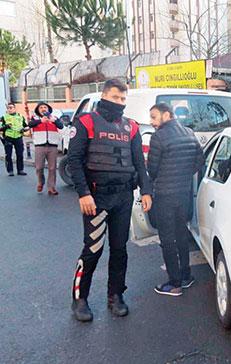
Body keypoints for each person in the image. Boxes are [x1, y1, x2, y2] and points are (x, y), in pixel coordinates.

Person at [67, 79, 153, 322]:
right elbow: (74, 160)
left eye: (123, 99)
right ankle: (79, 299)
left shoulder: (132, 127)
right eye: (116, 97)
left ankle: (116, 296)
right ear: (104, 96)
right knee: (93, 250)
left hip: (123, 197)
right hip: (96, 198)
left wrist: (146, 191)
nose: (120, 103)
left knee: (119, 250)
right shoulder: (85, 122)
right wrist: (83, 193)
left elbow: (139, 163)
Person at [147, 103, 204, 297]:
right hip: (184, 193)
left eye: (154, 117)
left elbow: (152, 170)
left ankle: (174, 283)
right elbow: (199, 161)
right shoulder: (189, 132)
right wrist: (183, 175)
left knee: (167, 238)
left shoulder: (158, 137)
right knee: (181, 234)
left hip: (164, 195)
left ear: (166, 115)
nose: (152, 122)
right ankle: (186, 276)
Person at [29, 102, 63, 194]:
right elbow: (30, 124)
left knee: (52, 168)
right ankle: (41, 181)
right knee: (39, 167)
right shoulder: (35, 118)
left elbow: (61, 126)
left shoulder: (54, 118)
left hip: (52, 145)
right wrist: (41, 121)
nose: (43, 109)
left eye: (45, 107)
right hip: (40, 145)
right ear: (38, 110)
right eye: (41, 107)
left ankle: (51, 187)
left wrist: (54, 121)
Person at [0, 102, 28, 176]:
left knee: (20, 154)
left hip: (18, 137)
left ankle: (20, 170)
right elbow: (0, 128)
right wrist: (5, 126)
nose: (9, 109)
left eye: (11, 107)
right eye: (8, 108)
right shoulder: (4, 117)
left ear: (15, 108)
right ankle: (10, 171)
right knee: (8, 155)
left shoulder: (20, 117)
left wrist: (24, 129)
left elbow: (26, 127)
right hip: (8, 138)